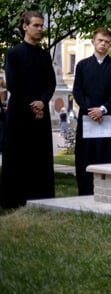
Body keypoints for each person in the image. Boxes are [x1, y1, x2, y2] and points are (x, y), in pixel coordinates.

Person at [0, 11, 57, 208]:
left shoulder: (44, 55)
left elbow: (51, 82)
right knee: (18, 155)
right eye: (36, 25)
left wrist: (42, 101)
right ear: (25, 26)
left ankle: (41, 198)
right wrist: (33, 105)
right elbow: (13, 84)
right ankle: (14, 199)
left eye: (42, 25)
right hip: (19, 113)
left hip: (40, 113)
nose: (40, 29)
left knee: (39, 157)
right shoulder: (13, 53)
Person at [73, 27, 111, 196]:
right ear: (93, 42)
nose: (103, 44)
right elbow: (77, 91)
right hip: (87, 117)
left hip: (107, 117)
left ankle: (108, 191)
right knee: (86, 155)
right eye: (100, 40)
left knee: (107, 154)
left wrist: (103, 109)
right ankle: (86, 191)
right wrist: (91, 111)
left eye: (107, 42)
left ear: (110, 45)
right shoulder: (82, 65)